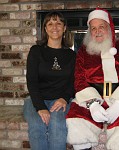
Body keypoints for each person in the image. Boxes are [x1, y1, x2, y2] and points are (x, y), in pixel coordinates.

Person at [66, 8, 119, 150]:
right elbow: (79, 78)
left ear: (109, 27)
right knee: (76, 120)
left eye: (101, 27)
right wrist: (92, 104)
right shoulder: (83, 50)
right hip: (93, 98)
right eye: (93, 28)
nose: (97, 31)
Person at [23, 11, 76, 150]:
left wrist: (64, 98)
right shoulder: (36, 51)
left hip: (60, 100)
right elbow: (32, 81)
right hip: (36, 99)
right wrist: (40, 107)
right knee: (36, 124)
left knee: (57, 124)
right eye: (50, 23)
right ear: (45, 28)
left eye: (59, 23)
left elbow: (73, 81)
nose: (55, 27)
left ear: (64, 28)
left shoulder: (71, 55)